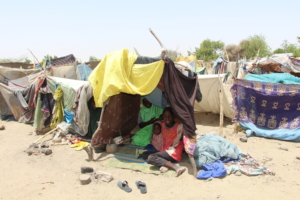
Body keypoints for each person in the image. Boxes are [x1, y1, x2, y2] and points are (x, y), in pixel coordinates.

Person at [145, 107, 186, 177]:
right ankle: (164, 164)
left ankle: (176, 167)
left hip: (174, 152)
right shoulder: (163, 125)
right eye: (165, 117)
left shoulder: (179, 126)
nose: (167, 119)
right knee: (145, 154)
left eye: (169, 117)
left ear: (173, 116)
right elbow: (157, 124)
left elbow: (186, 129)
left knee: (151, 158)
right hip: (166, 150)